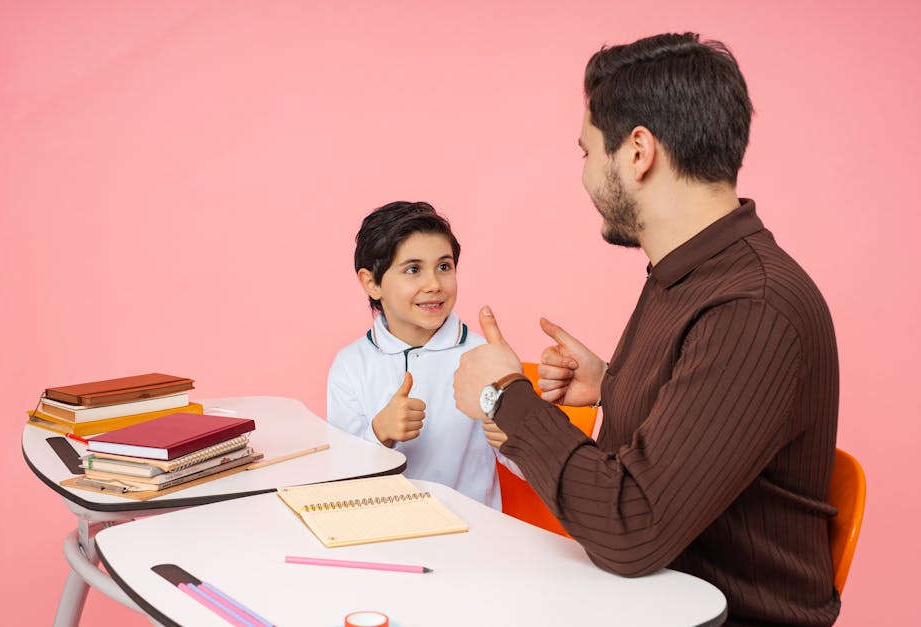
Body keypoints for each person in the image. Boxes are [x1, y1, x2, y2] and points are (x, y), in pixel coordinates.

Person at [453, 33, 840, 625]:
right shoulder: (688, 275)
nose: (583, 176)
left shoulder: (753, 307)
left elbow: (630, 526)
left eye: (586, 152)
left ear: (638, 152)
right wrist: (614, 384)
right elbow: (700, 433)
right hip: (641, 601)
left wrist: (502, 395)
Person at [328, 201, 519, 509]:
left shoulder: (483, 356)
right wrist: (380, 433)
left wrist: (515, 426)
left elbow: (528, 469)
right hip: (381, 537)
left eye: (444, 267)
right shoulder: (350, 365)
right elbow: (342, 478)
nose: (433, 285)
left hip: (470, 538)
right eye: (413, 270)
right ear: (371, 282)